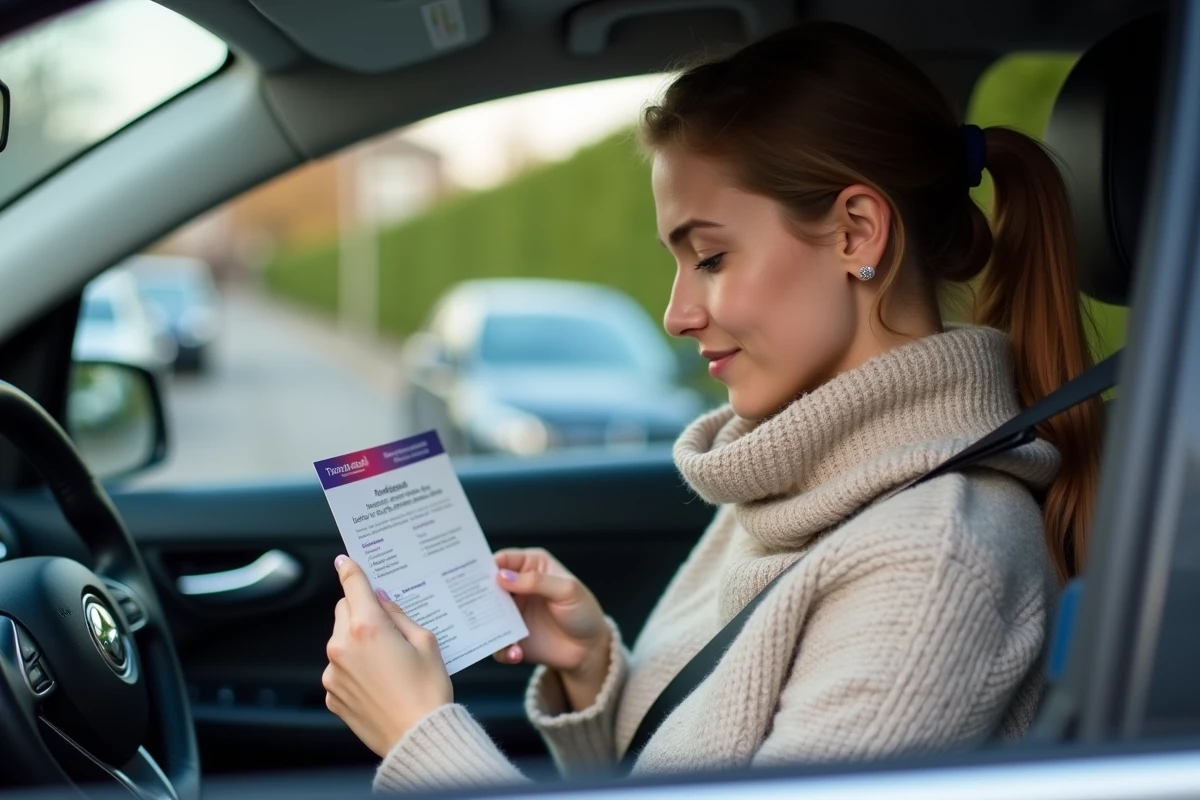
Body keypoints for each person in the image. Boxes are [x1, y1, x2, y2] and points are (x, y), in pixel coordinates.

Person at [320, 21, 1102, 793]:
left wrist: (420, 740)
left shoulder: (935, 564)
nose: (676, 312)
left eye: (713, 258)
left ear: (857, 234)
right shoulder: (799, 472)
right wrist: (594, 672)